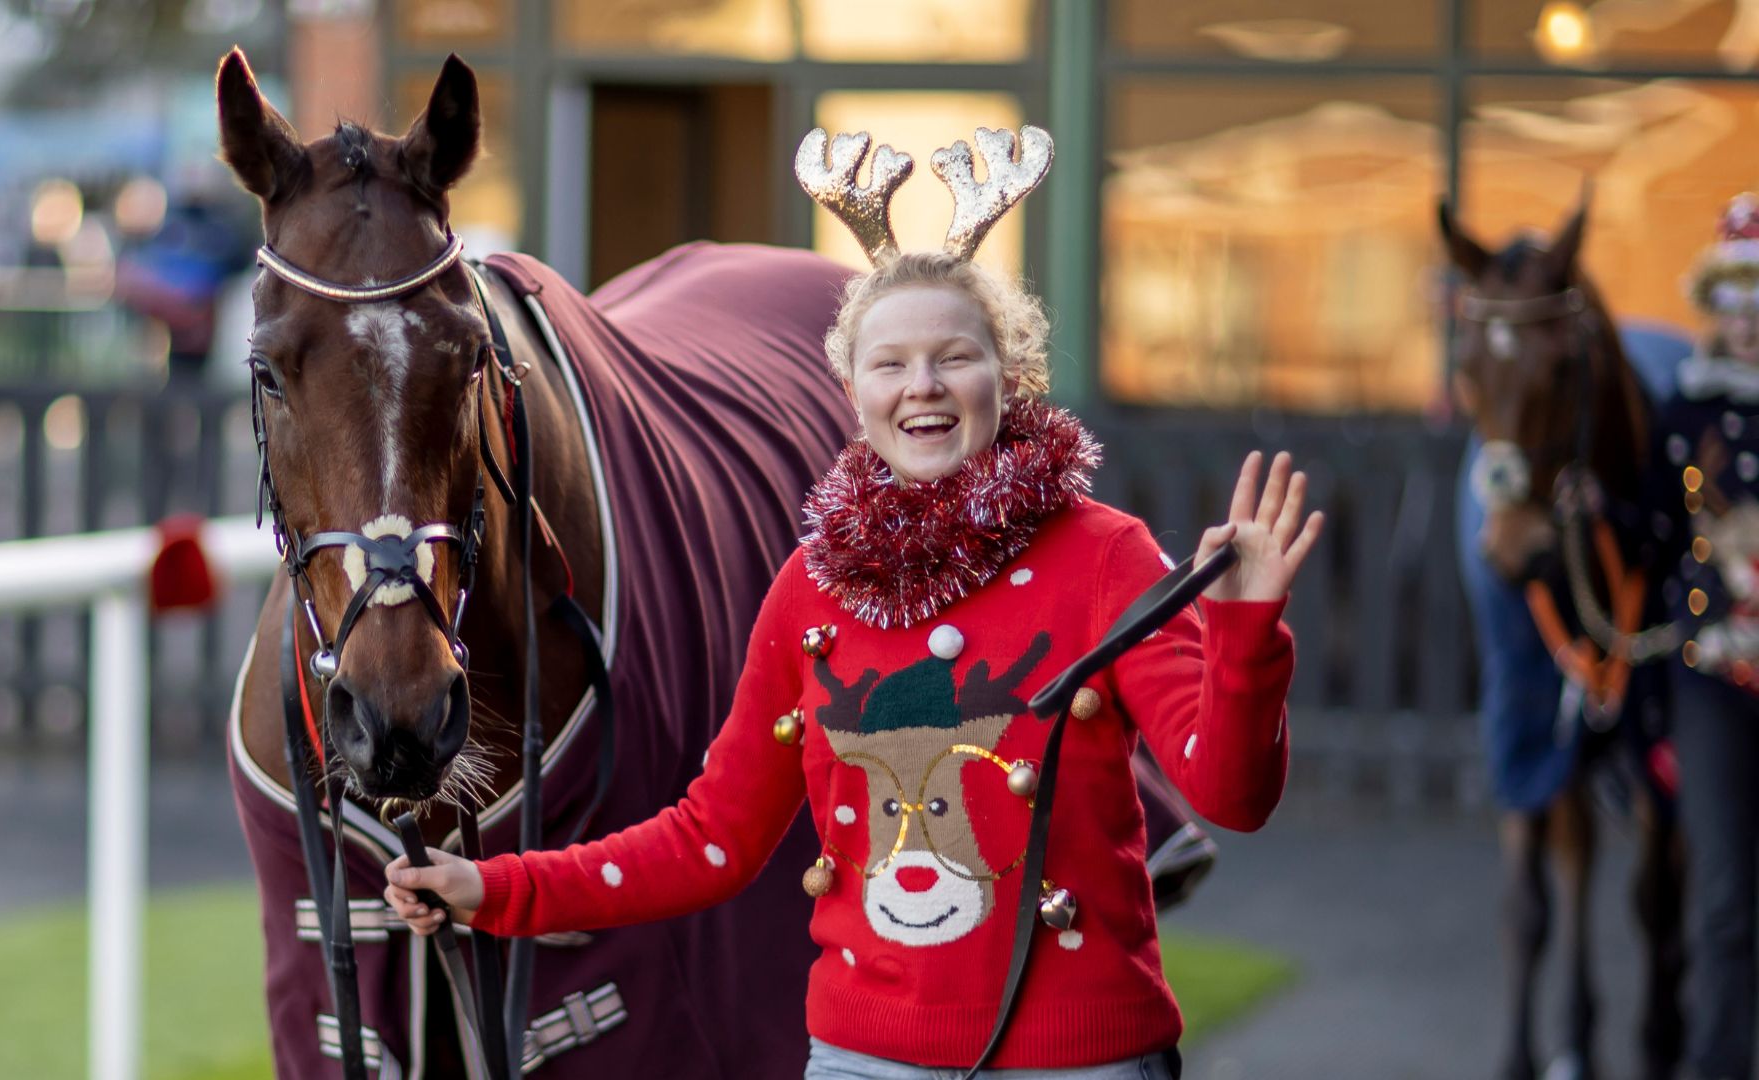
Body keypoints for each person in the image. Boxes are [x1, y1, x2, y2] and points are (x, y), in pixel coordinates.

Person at [386, 126, 1324, 1078]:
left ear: (1009, 375)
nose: (923, 387)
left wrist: (1244, 631)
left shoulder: (1107, 557)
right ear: (853, 388)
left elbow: (1230, 796)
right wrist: (490, 888)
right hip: (860, 1061)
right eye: (891, 364)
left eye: (955, 357)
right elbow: (713, 838)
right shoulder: (810, 589)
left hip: (1081, 1061)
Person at [1655, 191, 1759, 1080]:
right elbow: (1648, 536)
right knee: (1724, 896)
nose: (1748, 322)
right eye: (1734, 300)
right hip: (1711, 682)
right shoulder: (1681, 415)